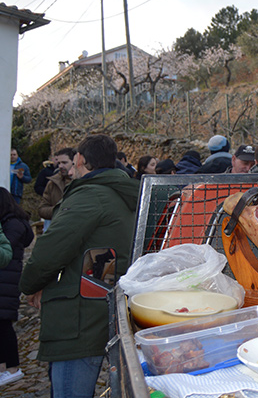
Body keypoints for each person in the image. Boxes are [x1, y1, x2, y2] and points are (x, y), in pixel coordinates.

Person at [20, 134, 139, 398]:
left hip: (78, 317)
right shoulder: (120, 192)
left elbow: (52, 247)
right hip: (99, 301)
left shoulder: (91, 195)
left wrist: (30, 284)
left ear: (82, 159)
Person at [0, 188, 34, 386]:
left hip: (6, 281)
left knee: (5, 326)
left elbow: (7, 250)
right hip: (7, 280)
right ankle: (5, 367)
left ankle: (13, 368)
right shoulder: (13, 222)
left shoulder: (12, 225)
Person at [38, 147, 76, 232]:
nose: (60, 166)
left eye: (64, 162)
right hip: (57, 229)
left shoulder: (84, 181)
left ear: (74, 162)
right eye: (59, 163)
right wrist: (60, 210)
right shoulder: (52, 183)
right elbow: (42, 209)